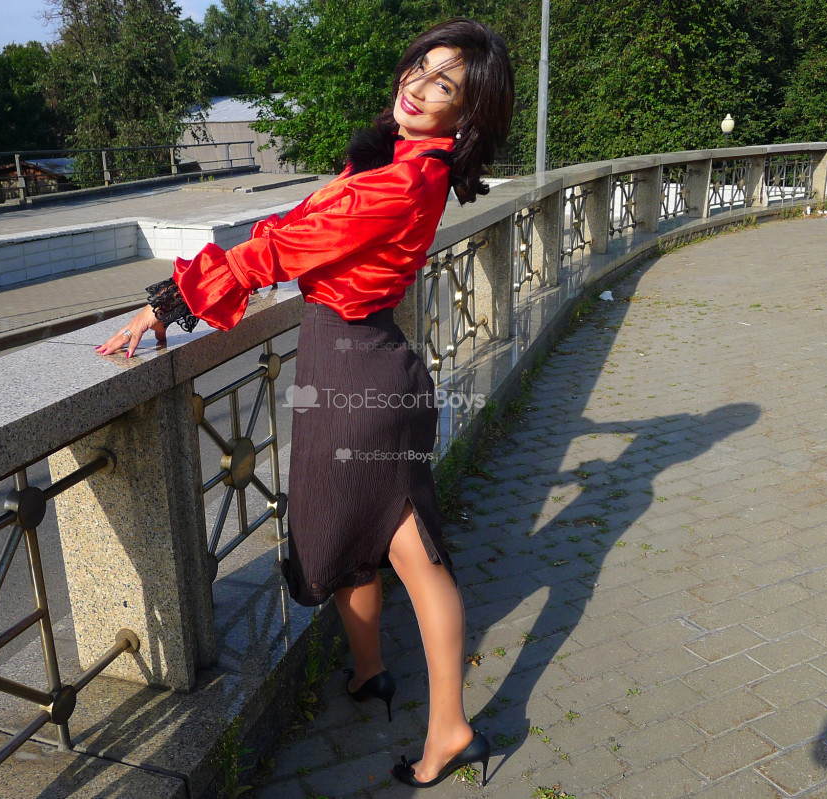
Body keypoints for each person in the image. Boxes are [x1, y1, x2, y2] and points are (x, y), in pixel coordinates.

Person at [96, 18, 514, 788]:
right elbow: (305, 226)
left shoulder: (403, 180)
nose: (418, 87)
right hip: (359, 363)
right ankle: (370, 673)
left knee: (405, 549)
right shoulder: (399, 162)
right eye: (420, 67)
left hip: (357, 377)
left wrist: (169, 302)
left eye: (444, 85)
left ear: (466, 114)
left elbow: (283, 248)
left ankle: (450, 727)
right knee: (361, 535)